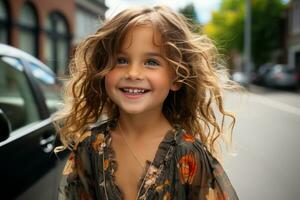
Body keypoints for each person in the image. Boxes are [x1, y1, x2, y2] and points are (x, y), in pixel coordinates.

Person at [54, 5, 239, 200]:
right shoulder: (88, 147)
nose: (133, 73)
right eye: (121, 60)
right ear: (103, 70)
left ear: (177, 77)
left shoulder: (190, 155)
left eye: (151, 62)